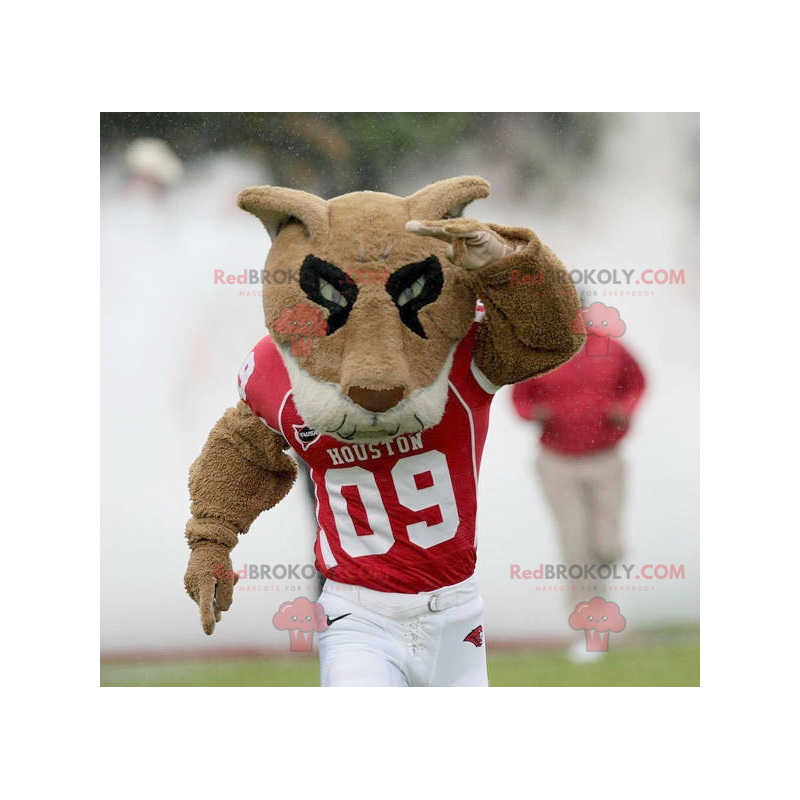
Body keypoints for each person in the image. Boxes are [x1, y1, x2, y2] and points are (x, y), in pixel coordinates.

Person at [511, 332, 646, 662]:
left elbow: (637, 383)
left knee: (606, 547)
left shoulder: (613, 348)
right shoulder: (539, 349)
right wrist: (534, 412)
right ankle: (589, 632)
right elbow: (520, 397)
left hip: (606, 457)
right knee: (575, 546)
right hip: (556, 461)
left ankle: (603, 610)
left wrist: (624, 408)